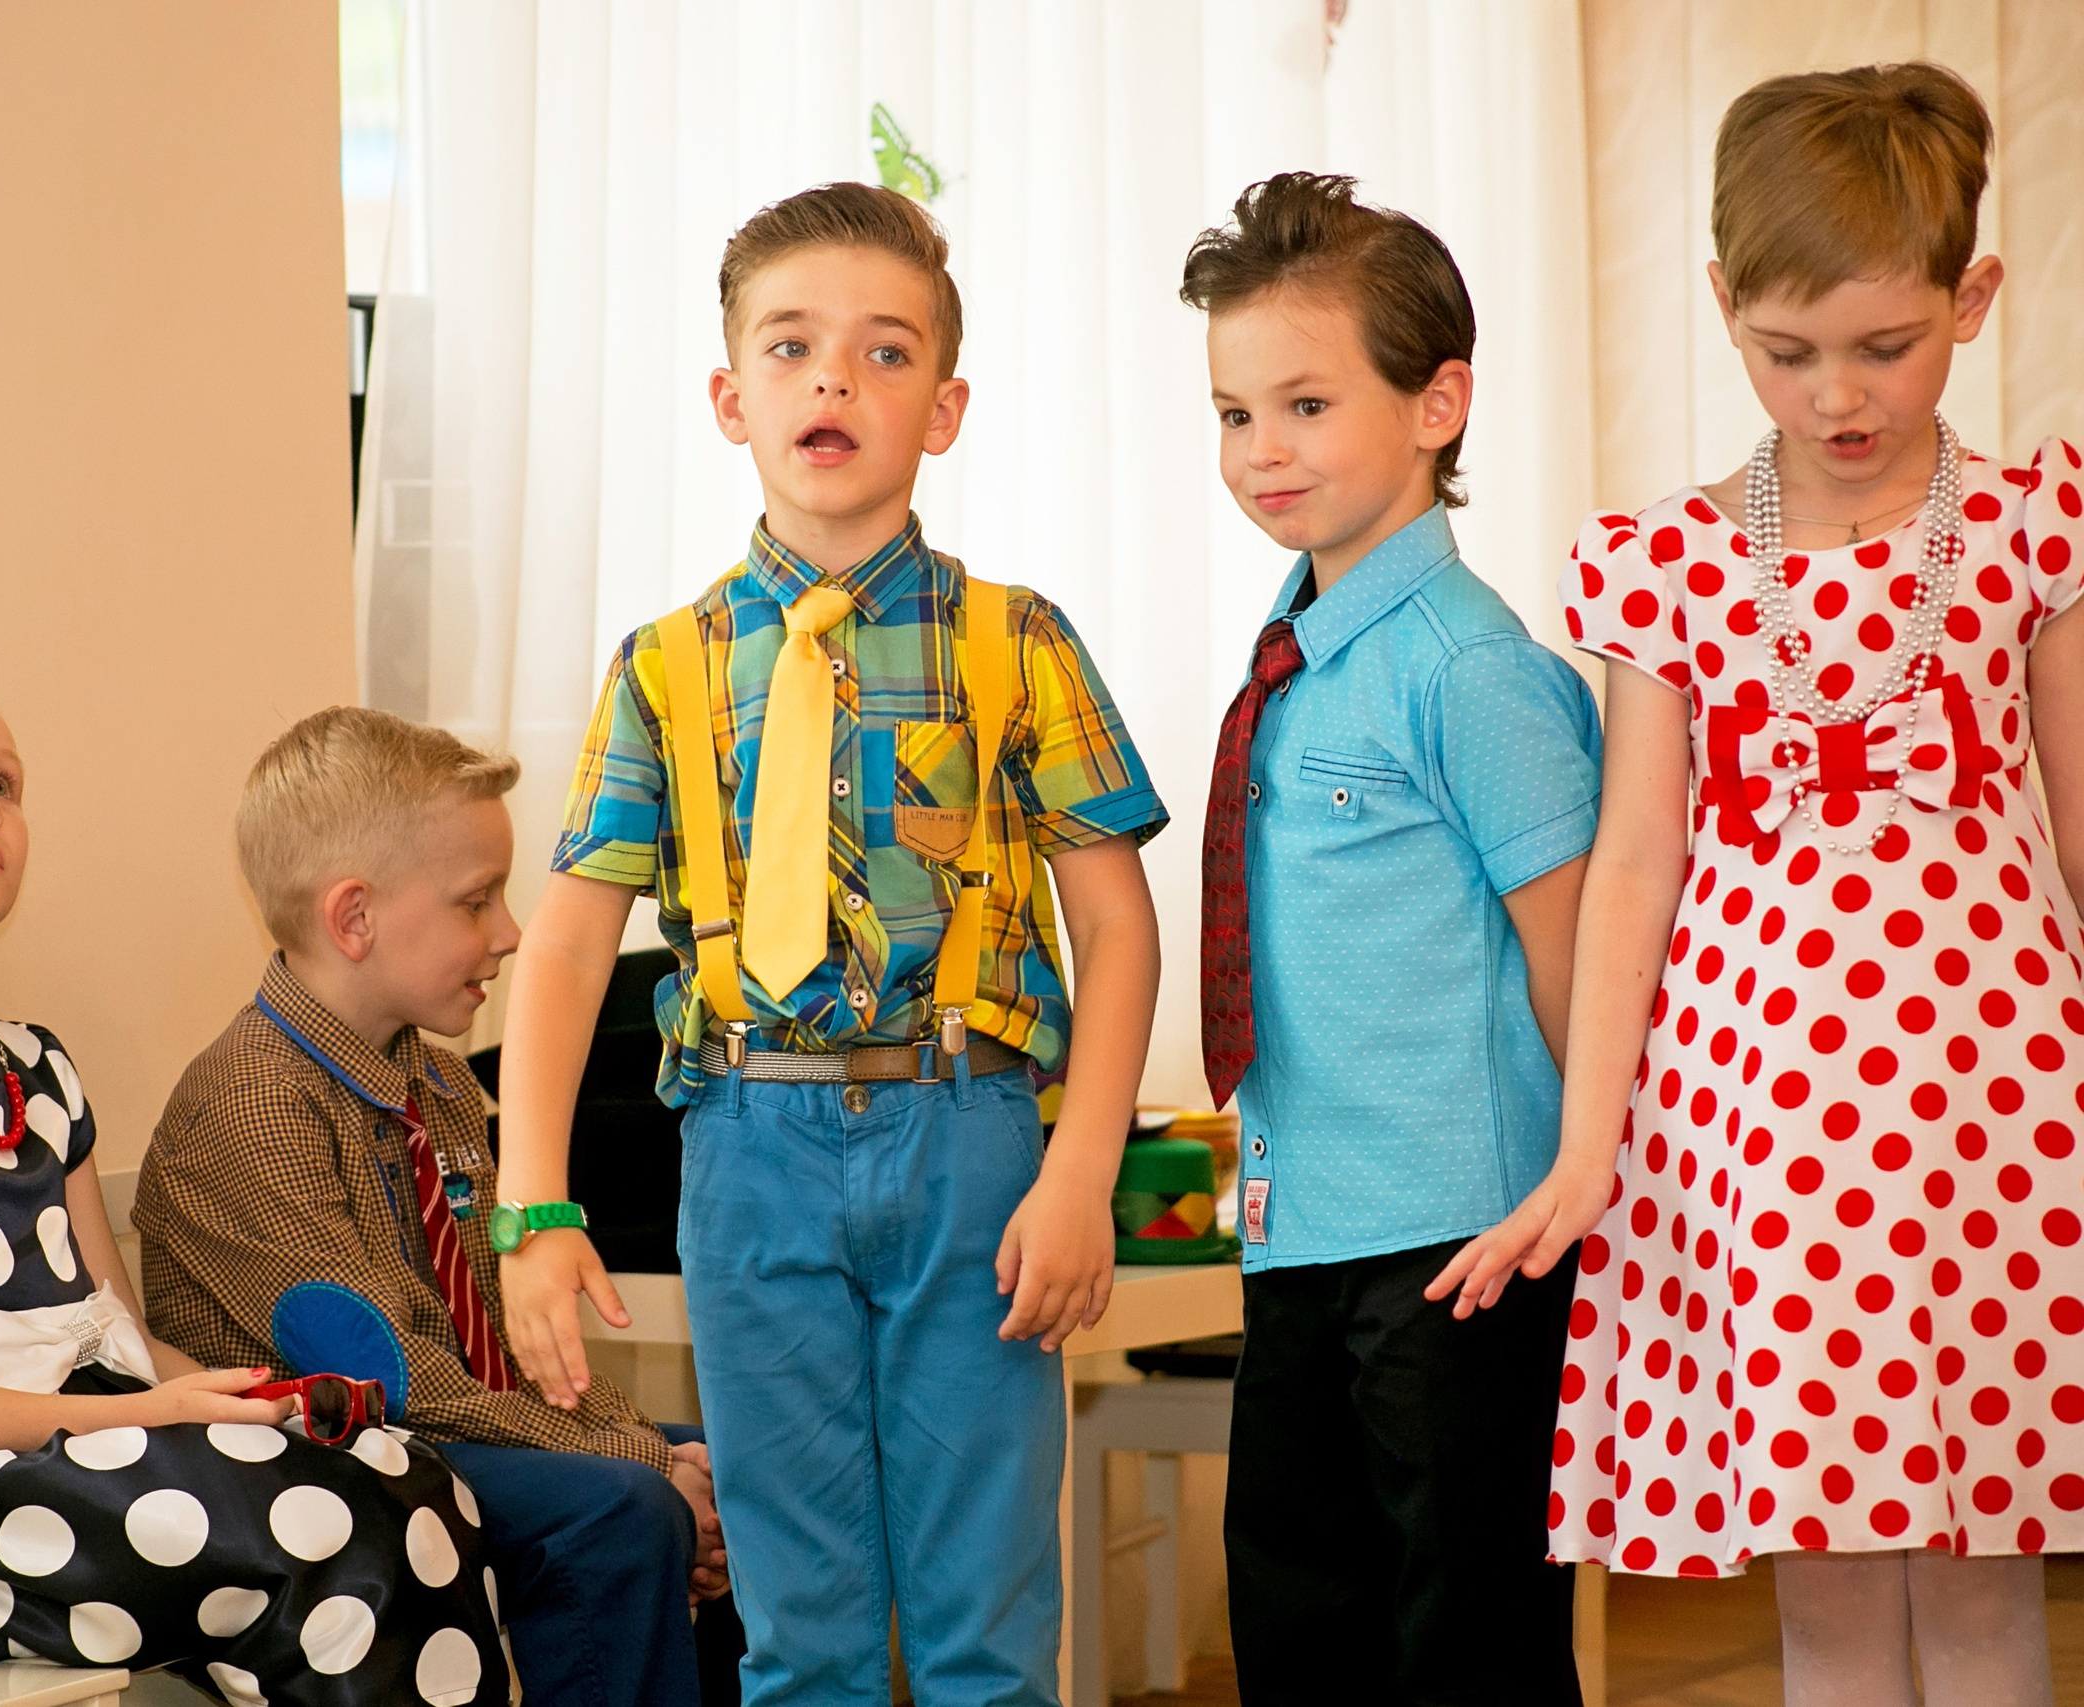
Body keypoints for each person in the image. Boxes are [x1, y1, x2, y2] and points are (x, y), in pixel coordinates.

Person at [1433, 61, 2084, 1707]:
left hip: (1995, 1106)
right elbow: (1637, 858)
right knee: (1842, 1592)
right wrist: (1593, 1142)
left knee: (1996, 1581)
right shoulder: (1672, 561)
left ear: (1973, 296)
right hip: (1769, 1122)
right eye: (1786, 351)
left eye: (1889, 344)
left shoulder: (2030, 527)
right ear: (1722, 305)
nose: (1839, 393)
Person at [491, 181, 1169, 1706]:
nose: (833, 382)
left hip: (972, 1141)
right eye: (792, 349)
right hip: (747, 1143)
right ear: (732, 397)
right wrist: (534, 1199)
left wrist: (1080, 1173)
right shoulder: (664, 665)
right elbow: (571, 939)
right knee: (800, 1629)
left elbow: (1116, 924)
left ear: (945, 405)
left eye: (883, 352)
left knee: (985, 1619)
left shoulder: (1021, 636)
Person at [0, 670, 504, 1707]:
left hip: (77, 1448)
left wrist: (236, 1400)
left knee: (409, 1475)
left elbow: (120, 1338)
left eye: (4, 781)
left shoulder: (34, 1069)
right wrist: (144, 1414)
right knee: (334, 1527)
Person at [1185, 173, 1604, 1705]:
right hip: (1303, 1220)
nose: (1261, 450)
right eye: (1233, 413)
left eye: (1304, 401)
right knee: (1302, 1616)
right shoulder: (1297, 638)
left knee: (1468, 1636)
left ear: (1439, 404)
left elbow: (1577, 949)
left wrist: (1596, 1179)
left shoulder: (1468, 665)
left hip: (1461, 1237)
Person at [135, 705, 740, 1707]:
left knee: (729, 1478)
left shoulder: (444, 1088)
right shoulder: (248, 1107)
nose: (508, 935)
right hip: (323, 1452)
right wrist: (640, 1461)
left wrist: (663, 1450)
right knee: (621, 1505)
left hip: (442, 1426)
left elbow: (508, 1333)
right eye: (477, 901)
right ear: (354, 918)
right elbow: (394, 1374)